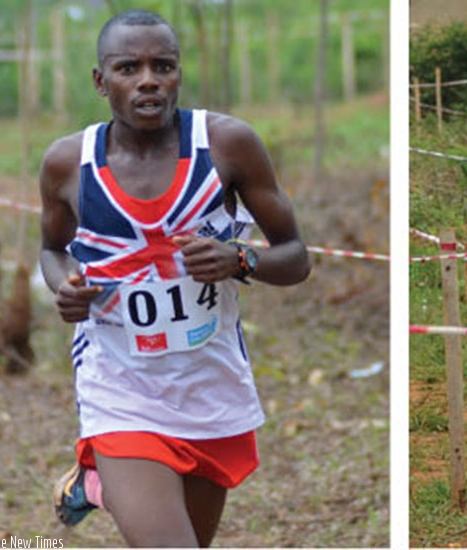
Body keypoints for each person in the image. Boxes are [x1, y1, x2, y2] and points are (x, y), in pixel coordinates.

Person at [39, 9, 310, 547]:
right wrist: (66, 287)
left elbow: (296, 257)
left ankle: (94, 487)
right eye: (127, 67)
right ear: (101, 80)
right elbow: (52, 249)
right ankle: (108, 475)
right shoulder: (68, 163)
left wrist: (240, 261)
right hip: (119, 383)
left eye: (162, 66)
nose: (147, 80)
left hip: (209, 384)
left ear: (179, 73)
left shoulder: (229, 145)